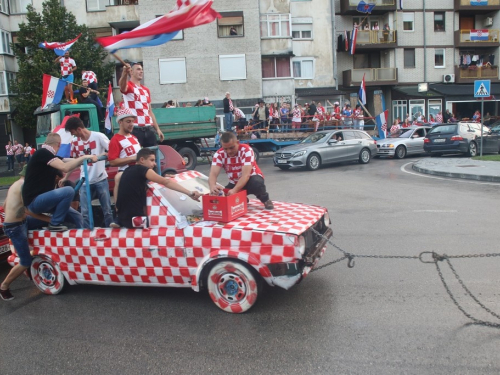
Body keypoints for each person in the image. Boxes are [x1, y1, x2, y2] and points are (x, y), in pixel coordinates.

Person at [22, 132, 97, 231]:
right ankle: (55, 223)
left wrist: (89, 158)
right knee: (69, 191)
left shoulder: (48, 155)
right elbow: (64, 167)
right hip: (34, 201)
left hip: (41, 200)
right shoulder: (43, 153)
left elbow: (68, 160)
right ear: (59, 144)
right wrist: (84, 157)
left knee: (76, 216)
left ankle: (84, 238)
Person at [115, 148, 201, 228]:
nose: (155, 164)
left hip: (124, 218)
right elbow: (166, 182)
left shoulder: (128, 170)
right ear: (142, 160)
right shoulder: (143, 170)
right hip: (136, 221)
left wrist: (116, 207)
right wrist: (189, 193)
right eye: (152, 160)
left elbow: (118, 178)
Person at [0, 167, 50, 301]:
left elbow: (5, 205)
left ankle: (36, 250)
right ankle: (4, 287)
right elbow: (29, 210)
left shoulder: (15, 185)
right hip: (15, 227)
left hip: (19, 223)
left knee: (43, 223)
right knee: (25, 261)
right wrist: (50, 219)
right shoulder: (24, 186)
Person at [63, 116, 113, 228]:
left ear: (79, 129)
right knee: (85, 211)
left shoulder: (99, 136)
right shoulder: (75, 142)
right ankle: (86, 233)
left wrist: (102, 156)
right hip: (85, 180)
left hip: (100, 178)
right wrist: (66, 177)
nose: (73, 135)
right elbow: (75, 162)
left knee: (107, 209)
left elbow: (112, 152)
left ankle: (111, 231)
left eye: (73, 132)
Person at [209, 132, 274, 210]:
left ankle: (265, 199)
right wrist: (212, 186)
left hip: (250, 178)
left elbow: (245, 175)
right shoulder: (219, 154)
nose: (229, 151)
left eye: (231, 147)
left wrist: (235, 190)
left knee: (257, 183)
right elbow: (213, 174)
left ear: (237, 143)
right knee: (223, 194)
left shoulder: (246, 150)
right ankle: (242, 198)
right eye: (225, 149)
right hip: (234, 182)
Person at [119, 62, 164, 147]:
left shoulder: (146, 89)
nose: (141, 72)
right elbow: (122, 86)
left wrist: (157, 129)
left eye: (142, 70)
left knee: (152, 156)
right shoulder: (129, 86)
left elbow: (150, 111)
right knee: (136, 156)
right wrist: (124, 73)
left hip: (149, 128)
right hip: (135, 128)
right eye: (138, 69)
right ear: (131, 72)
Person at [108, 108, 142, 204]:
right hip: (127, 174)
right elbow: (112, 161)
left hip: (138, 173)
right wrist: (132, 158)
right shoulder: (115, 140)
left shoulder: (134, 137)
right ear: (120, 122)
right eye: (128, 121)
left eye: (132, 121)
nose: (131, 124)